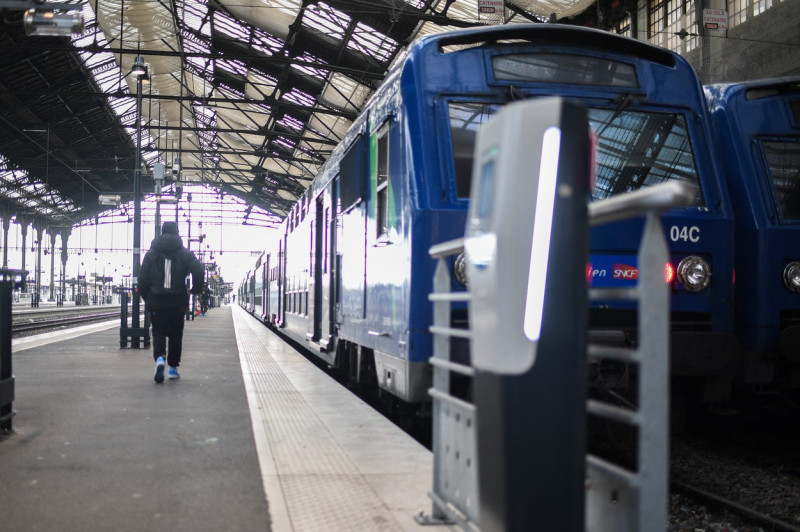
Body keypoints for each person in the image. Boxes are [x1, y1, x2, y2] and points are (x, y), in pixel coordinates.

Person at [138, 221, 204, 383]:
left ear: (161, 232)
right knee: (175, 334)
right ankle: (173, 368)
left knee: (158, 332)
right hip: (177, 302)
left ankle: (160, 358)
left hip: (156, 301)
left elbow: (142, 278)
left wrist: (148, 297)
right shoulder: (185, 253)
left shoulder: (151, 254)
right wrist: (195, 290)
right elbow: (199, 270)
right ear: (177, 233)